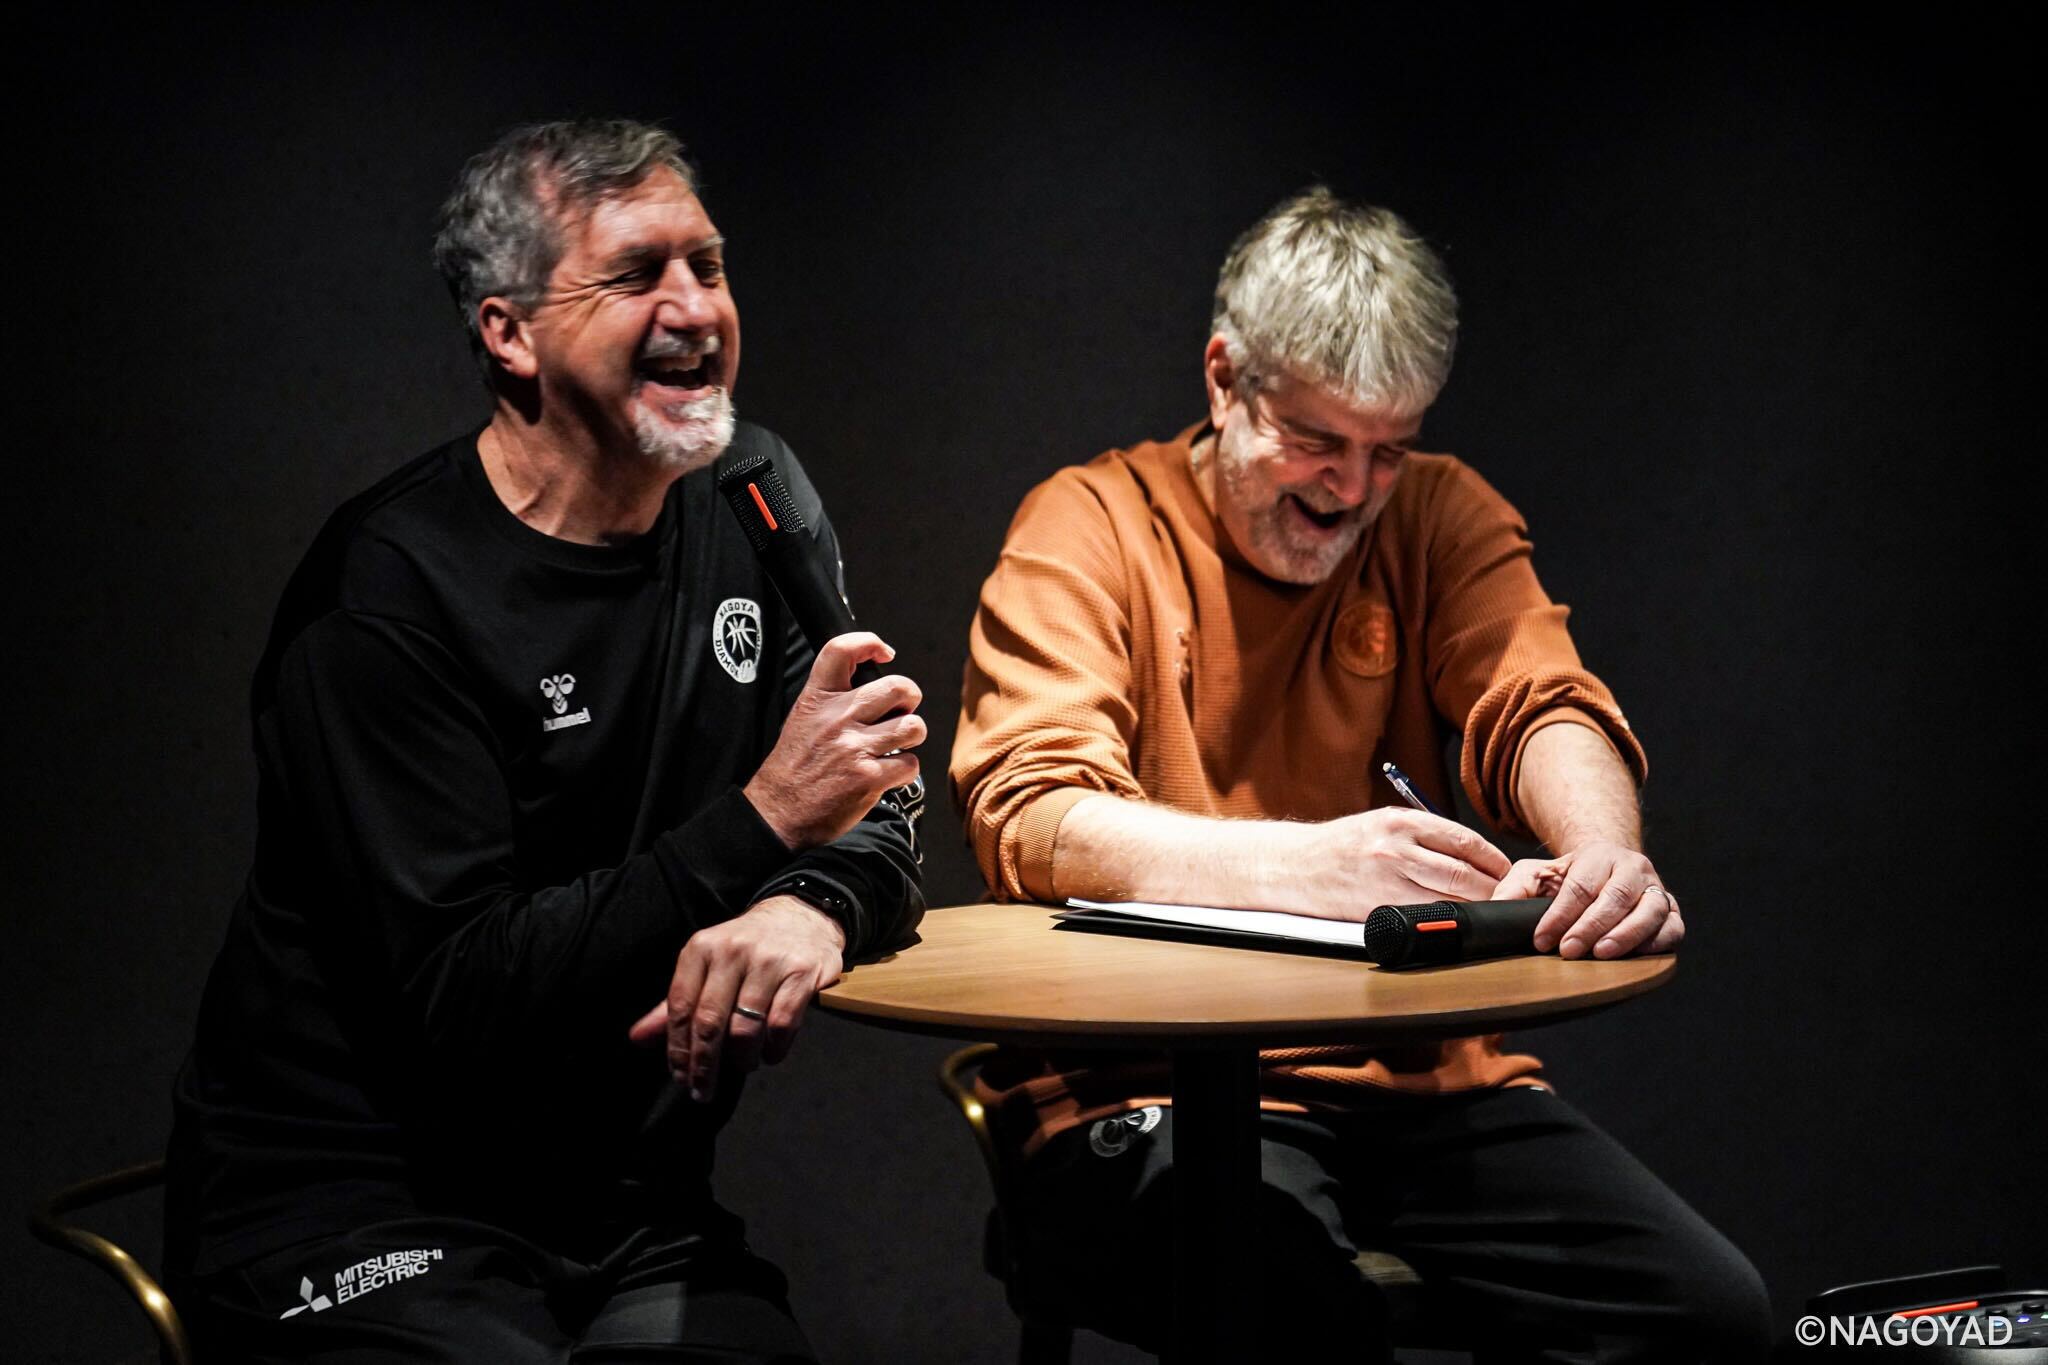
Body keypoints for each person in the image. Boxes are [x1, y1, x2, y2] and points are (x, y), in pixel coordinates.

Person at [950, 188, 1771, 1360]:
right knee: (1291, 1314)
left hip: (1418, 1084)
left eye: (1388, 449)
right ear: (1222, 379)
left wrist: (1601, 849)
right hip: (1144, 1080)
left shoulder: (1435, 513)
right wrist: (1307, 867)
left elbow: (1541, 700)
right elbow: (1030, 814)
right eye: (1315, 441)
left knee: (1705, 1317)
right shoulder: (1088, 523)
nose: (1349, 489)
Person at [163, 119, 926, 1364]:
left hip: (622, 1209)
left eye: (707, 265)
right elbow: (459, 996)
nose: (695, 309)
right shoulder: (387, 592)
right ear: (507, 333)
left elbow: (871, 781)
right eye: (634, 275)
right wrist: (764, 825)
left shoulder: (753, 490)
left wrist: (812, 905)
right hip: (356, 1200)